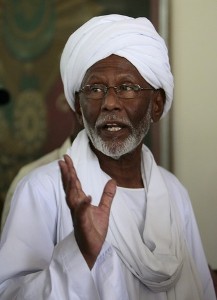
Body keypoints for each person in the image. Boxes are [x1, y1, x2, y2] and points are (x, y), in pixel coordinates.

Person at [0, 14, 215, 300]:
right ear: (78, 106)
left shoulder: (174, 193)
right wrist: (81, 254)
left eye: (127, 88)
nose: (109, 103)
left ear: (156, 105)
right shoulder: (42, 189)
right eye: (95, 89)